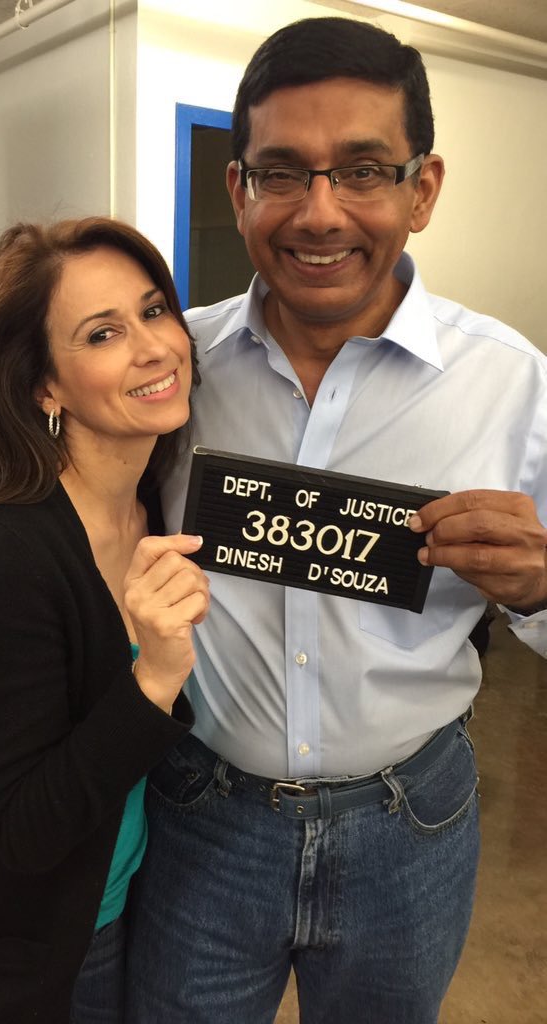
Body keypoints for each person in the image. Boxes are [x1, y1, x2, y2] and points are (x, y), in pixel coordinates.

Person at [125, 17, 547, 1024]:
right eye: (281, 173)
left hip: (411, 828)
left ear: (422, 189)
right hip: (202, 816)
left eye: (362, 171)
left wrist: (539, 586)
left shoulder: (514, 386)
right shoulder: (168, 370)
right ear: (238, 189)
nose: (319, 213)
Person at [0, 216, 209, 1024]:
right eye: (103, 334)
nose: (153, 348)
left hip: (104, 915)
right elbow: (23, 828)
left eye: (154, 310)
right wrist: (155, 681)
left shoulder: (155, 505)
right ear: (44, 387)